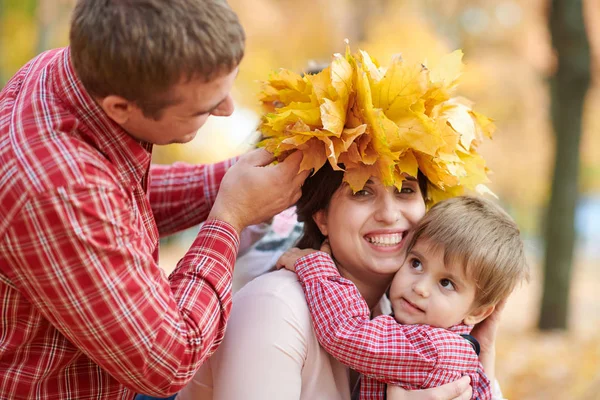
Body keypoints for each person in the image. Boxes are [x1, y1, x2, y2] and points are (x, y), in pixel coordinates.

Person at [0, 0, 308, 399]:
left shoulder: (76, 71)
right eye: (204, 108)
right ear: (121, 107)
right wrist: (230, 218)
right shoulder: (54, 187)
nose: (229, 109)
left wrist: (232, 179)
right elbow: (169, 360)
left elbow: (114, 204)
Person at [177, 48, 505, 400]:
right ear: (321, 217)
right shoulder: (274, 307)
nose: (390, 214)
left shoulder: (408, 317)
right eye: (362, 191)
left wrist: (483, 364)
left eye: (406, 190)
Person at [276, 196, 529, 399]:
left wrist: (317, 268)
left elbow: (347, 332)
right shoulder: (436, 337)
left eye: (446, 283)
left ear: (479, 312)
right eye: (416, 263)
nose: (420, 288)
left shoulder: (436, 349)